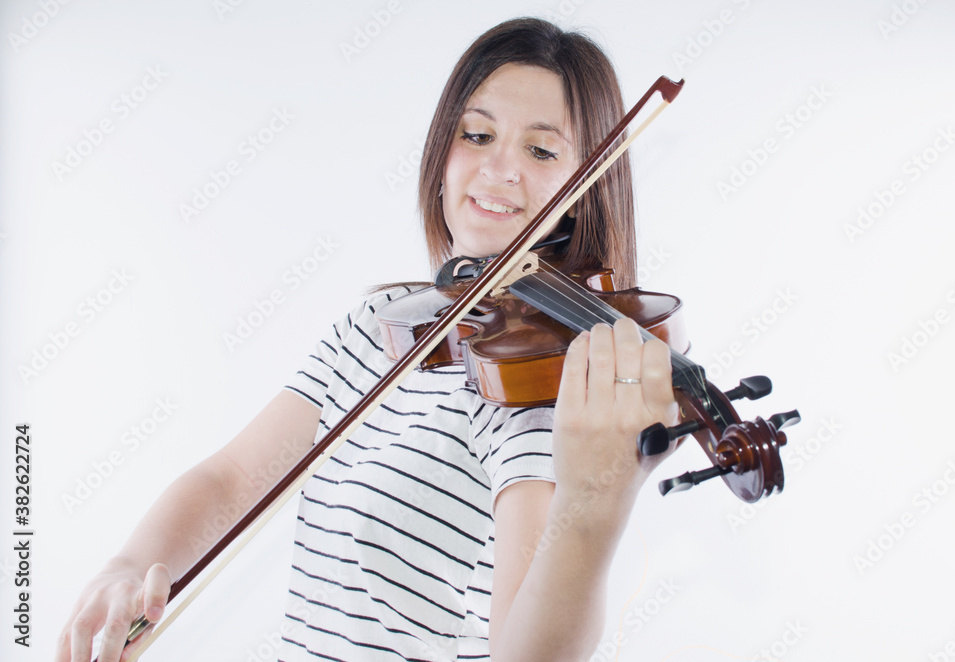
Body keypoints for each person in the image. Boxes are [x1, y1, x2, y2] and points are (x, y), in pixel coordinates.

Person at [56, 17, 680, 662]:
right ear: (442, 152)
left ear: (584, 189)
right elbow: (233, 477)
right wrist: (130, 564)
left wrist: (595, 500)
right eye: (478, 134)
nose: (499, 168)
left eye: (542, 151)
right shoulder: (382, 323)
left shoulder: (543, 389)